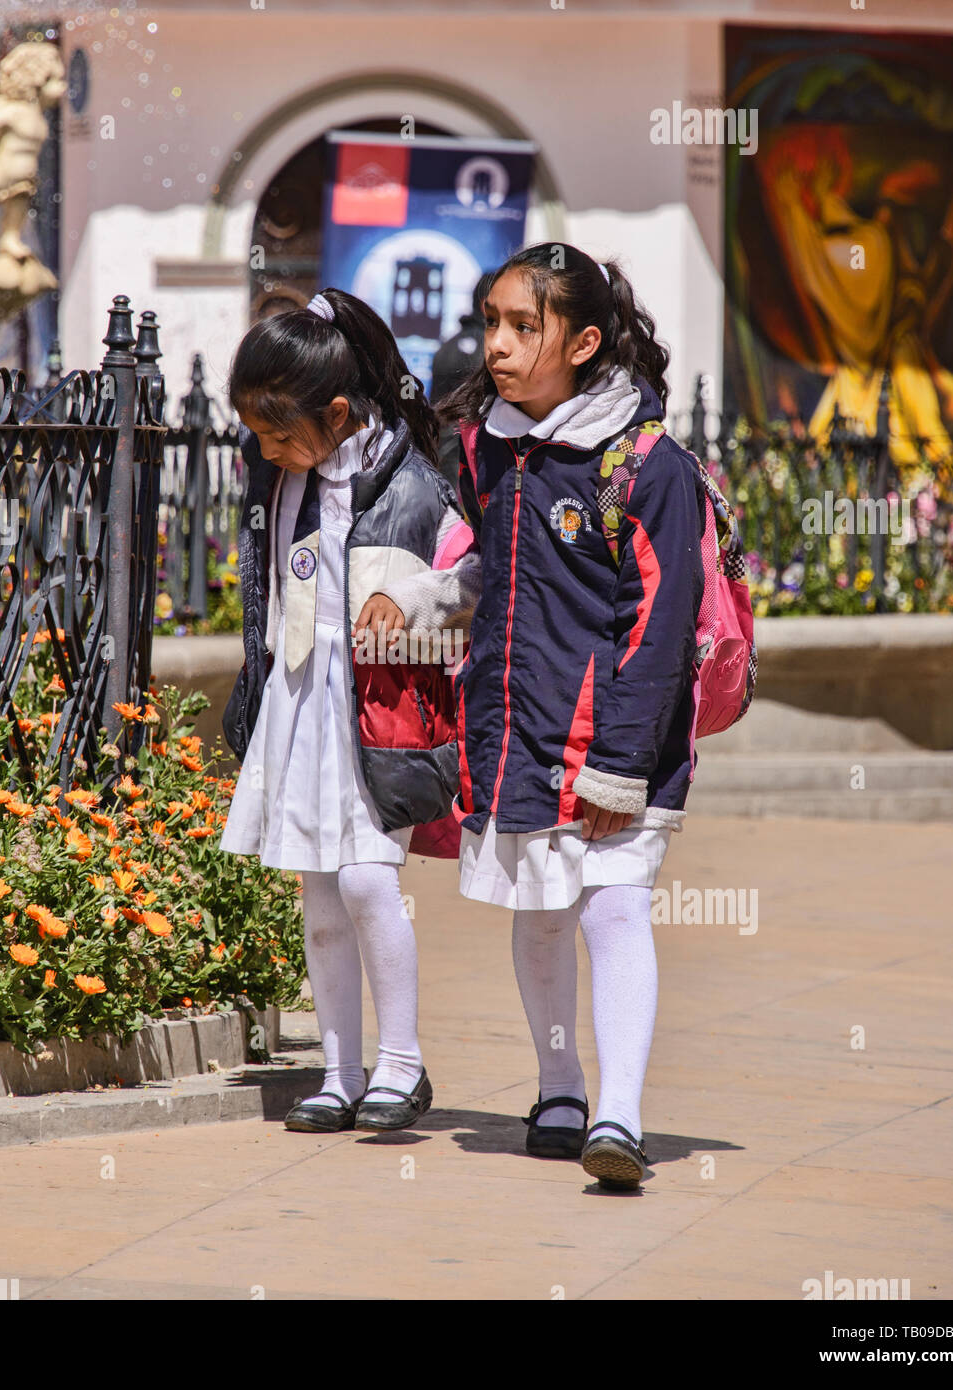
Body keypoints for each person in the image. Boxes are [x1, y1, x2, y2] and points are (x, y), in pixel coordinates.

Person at [437, 243, 705, 1189]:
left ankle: (620, 1119)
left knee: (615, 906)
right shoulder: (485, 445)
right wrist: (431, 597)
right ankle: (558, 1090)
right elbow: (491, 567)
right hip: (513, 725)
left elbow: (662, 622)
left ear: (584, 341)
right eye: (491, 323)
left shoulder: (647, 464)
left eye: (522, 326)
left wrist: (620, 762)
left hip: (611, 739)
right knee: (539, 912)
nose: (497, 346)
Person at [220, 287, 480, 1135]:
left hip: (381, 708)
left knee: (369, 879)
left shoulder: (417, 481)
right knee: (319, 892)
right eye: (257, 433)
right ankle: (338, 1070)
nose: (264, 449)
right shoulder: (281, 474)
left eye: (278, 432)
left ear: (337, 413)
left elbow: (477, 578)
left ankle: (400, 1065)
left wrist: (413, 599)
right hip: (300, 693)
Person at [430, 271, 497, 495]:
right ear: (485, 304)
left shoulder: (446, 347)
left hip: (439, 466)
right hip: (469, 472)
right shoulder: (491, 352)